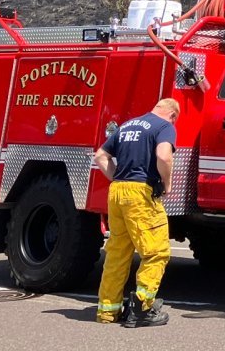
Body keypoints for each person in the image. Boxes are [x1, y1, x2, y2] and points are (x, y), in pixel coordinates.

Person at [94, 97, 180, 327]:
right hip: (141, 194)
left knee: (117, 253)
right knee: (156, 252)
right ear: (172, 115)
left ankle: (108, 312)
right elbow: (163, 156)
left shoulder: (128, 125)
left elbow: (100, 156)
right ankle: (143, 308)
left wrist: (118, 178)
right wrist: (167, 184)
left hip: (117, 192)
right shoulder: (165, 127)